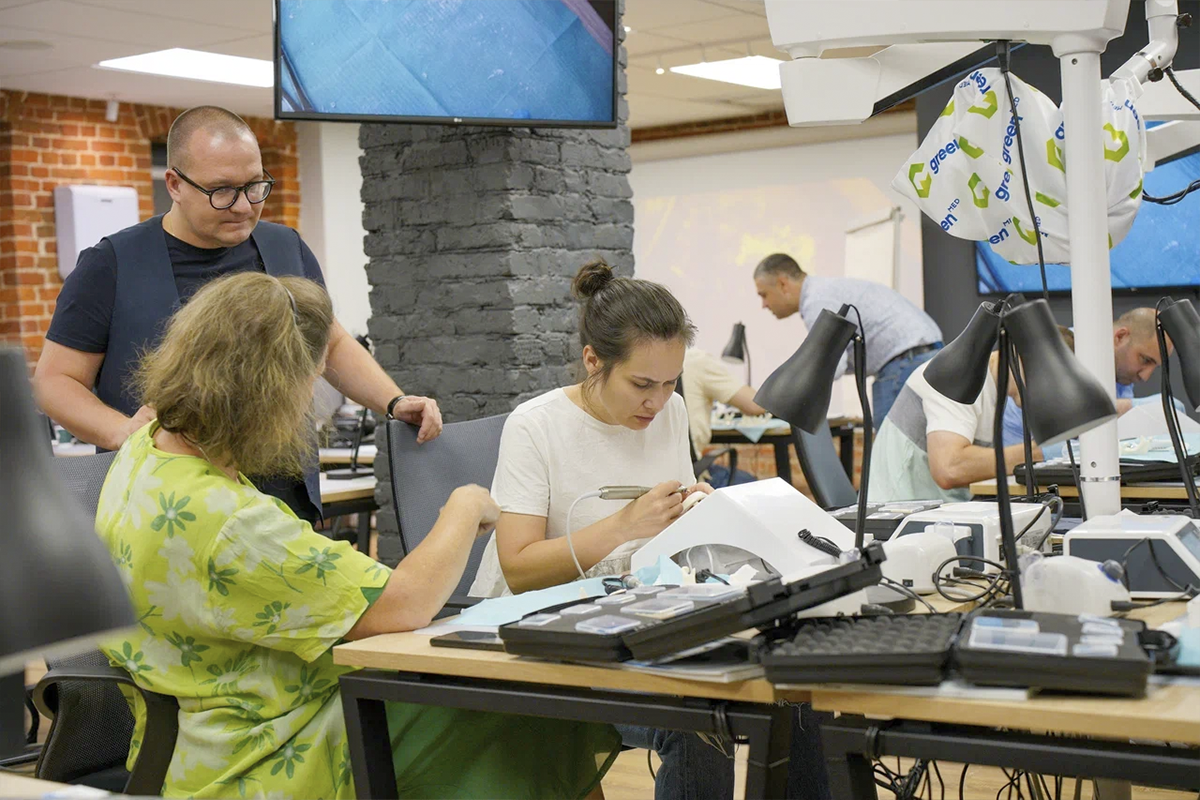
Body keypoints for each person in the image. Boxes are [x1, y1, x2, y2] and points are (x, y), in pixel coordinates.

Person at [94, 272, 620, 799]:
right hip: (265, 754)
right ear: (270, 389)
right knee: (528, 707)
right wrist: (463, 508)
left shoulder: (144, 450)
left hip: (184, 743)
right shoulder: (232, 524)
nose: (310, 400)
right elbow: (405, 603)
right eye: (312, 381)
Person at [470, 259, 831, 800]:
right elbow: (519, 569)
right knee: (697, 722)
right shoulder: (535, 426)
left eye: (669, 383)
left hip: (639, 618)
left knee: (793, 687)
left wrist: (701, 514)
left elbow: (669, 540)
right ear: (593, 361)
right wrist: (623, 524)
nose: (657, 401)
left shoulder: (671, 411)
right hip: (544, 637)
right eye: (641, 384)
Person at [33, 105, 441, 526]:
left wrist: (393, 401)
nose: (244, 206)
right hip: (164, 510)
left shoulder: (286, 248)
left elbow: (331, 343)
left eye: (254, 186)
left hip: (281, 502)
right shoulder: (112, 264)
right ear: (174, 184)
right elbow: (55, 381)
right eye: (222, 191)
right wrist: (122, 431)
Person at [868, 326, 1076, 503]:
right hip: (898, 517)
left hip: (943, 513)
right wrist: (1038, 453)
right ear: (1023, 357)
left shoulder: (995, 391)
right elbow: (949, 469)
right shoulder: (957, 377)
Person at [753, 253, 943, 425]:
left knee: (891, 449)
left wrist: (790, 392)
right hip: (925, 355)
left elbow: (832, 365)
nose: (764, 305)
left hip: (903, 363)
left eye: (764, 295)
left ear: (783, 284)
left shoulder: (816, 302)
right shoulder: (825, 291)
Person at [1001, 308, 1169, 446]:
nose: (1145, 376)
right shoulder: (1061, 351)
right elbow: (1060, 428)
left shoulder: (1122, 371)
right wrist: (1133, 407)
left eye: (1155, 366)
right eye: (1145, 360)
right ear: (1120, 337)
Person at [681, 348, 764, 486]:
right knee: (754, 485)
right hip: (690, 478)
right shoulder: (696, 361)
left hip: (652, 477)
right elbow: (756, 405)